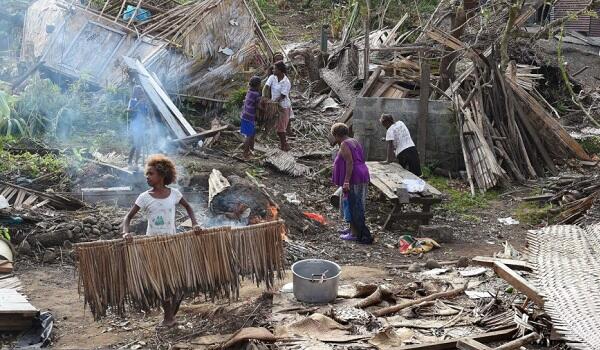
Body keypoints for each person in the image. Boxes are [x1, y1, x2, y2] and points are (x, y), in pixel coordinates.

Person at [122, 154, 202, 327]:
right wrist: (125, 233)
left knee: (175, 280)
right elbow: (128, 218)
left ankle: (171, 314)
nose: (147, 177)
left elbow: (189, 208)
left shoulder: (174, 194)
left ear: (162, 176)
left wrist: (195, 224)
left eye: (151, 174)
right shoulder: (144, 197)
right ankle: (169, 317)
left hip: (171, 243)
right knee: (161, 280)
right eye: (147, 174)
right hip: (153, 245)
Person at [330, 123, 373, 244]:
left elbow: (350, 162)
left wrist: (347, 181)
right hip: (360, 173)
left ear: (336, 135)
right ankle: (351, 229)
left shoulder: (344, 144)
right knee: (351, 202)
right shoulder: (354, 141)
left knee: (353, 203)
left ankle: (354, 233)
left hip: (355, 177)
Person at [265, 61, 292, 151]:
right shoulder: (272, 77)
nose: (273, 70)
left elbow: (283, 96)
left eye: (275, 68)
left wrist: (273, 102)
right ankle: (284, 145)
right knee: (278, 128)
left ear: (280, 70)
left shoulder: (286, 82)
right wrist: (265, 98)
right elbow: (266, 87)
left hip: (283, 106)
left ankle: (284, 145)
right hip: (274, 105)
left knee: (281, 128)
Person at [127, 85, 150, 168]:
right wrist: (138, 103)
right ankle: (129, 161)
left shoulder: (144, 103)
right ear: (135, 93)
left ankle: (136, 162)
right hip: (135, 126)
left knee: (140, 144)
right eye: (138, 92)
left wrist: (147, 121)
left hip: (142, 126)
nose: (140, 94)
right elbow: (129, 110)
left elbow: (146, 114)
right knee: (135, 144)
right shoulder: (132, 101)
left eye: (141, 92)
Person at [240, 76, 263, 158]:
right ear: (258, 85)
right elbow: (258, 106)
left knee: (252, 134)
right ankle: (245, 153)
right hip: (250, 117)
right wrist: (263, 109)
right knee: (249, 135)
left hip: (244, 115)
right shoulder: (256, 94)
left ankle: (251, 150)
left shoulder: (249, 92)